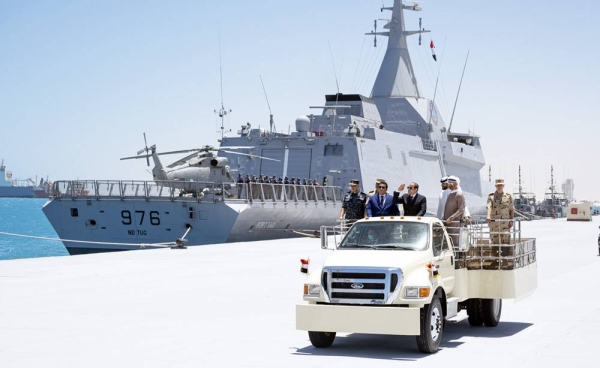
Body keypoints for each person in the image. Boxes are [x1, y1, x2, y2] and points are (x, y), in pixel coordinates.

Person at [486, 178, 514, 244]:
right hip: (494, 223)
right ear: (495, 186)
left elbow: (511, 209)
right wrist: (488, 216)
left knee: (506, 242)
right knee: (494, 243)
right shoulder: (491, 197)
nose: (499, 187)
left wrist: (511, 220)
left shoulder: (508, 196)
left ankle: (505, 254)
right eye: (497, 185)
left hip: (505, 224)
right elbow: (489, 207)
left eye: (500, 185)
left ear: (503, 186)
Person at [443, 176, 465, 246]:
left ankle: (457, 256)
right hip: (448, 222)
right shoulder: (449, 194)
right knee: (448, 241)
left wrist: (451, 218)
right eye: (448, 183)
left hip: (455, 223)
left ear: (455, 184)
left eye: (450, 183)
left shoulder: (459, 194)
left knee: (455, 241)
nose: (448, 184)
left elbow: (461, 209)